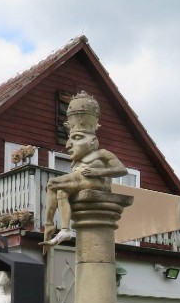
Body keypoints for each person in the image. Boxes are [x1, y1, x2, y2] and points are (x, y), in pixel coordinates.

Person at [41, 92, 127, 246]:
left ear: (93, 141)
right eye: (70, 139)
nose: (68, 145)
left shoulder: (102, 153)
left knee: (52, 183)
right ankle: (65, 229)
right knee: (61, 191)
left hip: (94, 184)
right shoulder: (77, 161)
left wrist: (98, 172)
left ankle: (48, 226)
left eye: (77, 138)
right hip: (81, 182)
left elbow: (122, 170)